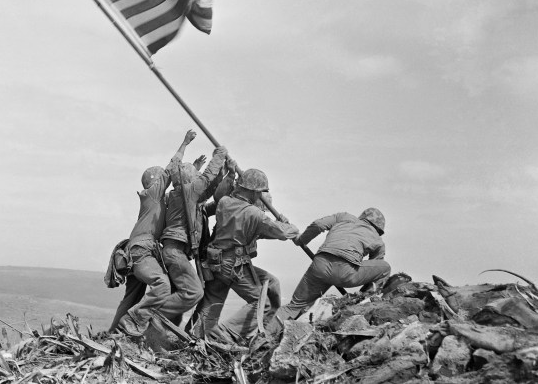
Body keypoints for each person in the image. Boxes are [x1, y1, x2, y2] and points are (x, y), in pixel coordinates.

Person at [192, 168, 300, 343]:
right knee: (262, 302)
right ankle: (226, 334)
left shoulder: (225, 203)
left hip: (215, 261)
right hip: (234, 265)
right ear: (253, 191)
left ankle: (197, 335)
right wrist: (289, 225)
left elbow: (254, 229)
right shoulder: (254, 214)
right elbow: (281, 233)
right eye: (259, 193)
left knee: (269, 284)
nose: (260, 197)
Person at [112, 130, 198, 336]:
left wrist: (194, 170)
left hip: (138, 251)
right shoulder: (152, 194)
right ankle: (135, 321)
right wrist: (184, 144)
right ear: (155, 181)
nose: (165, 181)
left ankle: (113, 334)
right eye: (161, 179)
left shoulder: (156, 201)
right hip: (142, 250)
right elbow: (171, 169)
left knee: (132, 297)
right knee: (162, 284)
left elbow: (181, 189)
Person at [272, 208, 390, 330]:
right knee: (385, 268)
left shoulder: (344, 217)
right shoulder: (378, 241)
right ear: (379, 229)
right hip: (346, 273)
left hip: (319, 266)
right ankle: (364, 302)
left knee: (293, 307)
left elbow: (318, 224)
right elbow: (374, 267)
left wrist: (301, 240)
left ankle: (263, 334)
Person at [158, 144, 228, 325]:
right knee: (194, 292)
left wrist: (223, 173)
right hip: (175, 251)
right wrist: (219, 155)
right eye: (195, 177)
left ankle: (161, 331)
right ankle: (150, 314)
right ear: (190, 180)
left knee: (178, 296)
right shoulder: (187, 191)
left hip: (175, 251)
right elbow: (207, 178)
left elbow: (209, 190)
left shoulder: (181, 195)